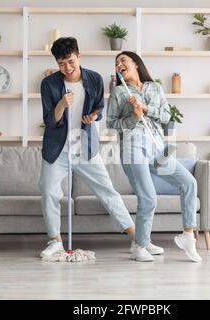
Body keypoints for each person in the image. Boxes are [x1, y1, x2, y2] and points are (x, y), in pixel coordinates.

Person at [38, 38, 163, 258]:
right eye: (61, 64)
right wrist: (61, 104)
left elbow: (100, 108)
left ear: (79, 56)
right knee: (48, 192)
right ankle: (55, 242)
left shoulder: (94, 79)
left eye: (70, 61)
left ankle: (139, 241)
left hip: (85, 146)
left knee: (108, 192)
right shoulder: (49, 84)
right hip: (56, 150)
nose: (67, 68)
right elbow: (50, 120)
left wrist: (94, 116)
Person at [107, 51, 202, 262]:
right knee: (149, 198)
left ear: (136, 64)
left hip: (158, 147)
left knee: (189, 183)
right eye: (116, 63)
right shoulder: (119, 93)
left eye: (123, 60)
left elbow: (167, 115)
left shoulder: (155, 87)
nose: (118, 64)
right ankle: (139, 246)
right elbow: (111, 123)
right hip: (133, 148)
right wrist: (133, 116)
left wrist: (145, 108)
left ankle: (188, 236)